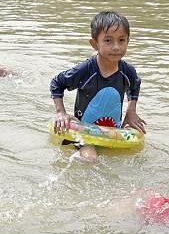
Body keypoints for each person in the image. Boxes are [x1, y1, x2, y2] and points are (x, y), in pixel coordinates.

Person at [50, 11, 145, 160]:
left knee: (134, 157)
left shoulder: (128, 72)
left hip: (113, 131)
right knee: (91, 159)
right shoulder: (85, 70)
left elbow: (135, 85)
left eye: (121, 40)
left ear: (128, 41)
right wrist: (60, 112)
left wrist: (131, 112)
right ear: (94, 44)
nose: (116, 47)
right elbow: (57, 83)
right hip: (85, 133)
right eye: (108, 41)